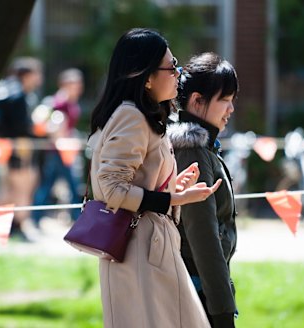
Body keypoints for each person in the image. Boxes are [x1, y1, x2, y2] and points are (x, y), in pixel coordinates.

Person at [88, 28, 221, 328]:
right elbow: (111, 187)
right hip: (138, 251)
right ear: (146, 76)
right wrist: (173, 198)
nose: (179, 73)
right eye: (172, 67)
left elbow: (135, 183)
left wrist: (173, 185)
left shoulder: (142, 116)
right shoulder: (131, 116)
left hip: (149, 248)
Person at [168, 52, 239, 327]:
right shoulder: (192, 150)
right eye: (225, 100)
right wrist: (222, 309)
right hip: (197, 291)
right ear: (197, 100)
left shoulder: (203, 145)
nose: (231, 109)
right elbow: (203, 237)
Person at [0, 57, 44, 241]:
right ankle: (15, 225)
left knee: (5, 187)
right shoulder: (19, 95)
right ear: (27, 75)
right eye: (36, 74)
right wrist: (38, 128)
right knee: (20, 188)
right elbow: (22, 127)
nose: (39, 79)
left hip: (1, 148)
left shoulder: (3, 89)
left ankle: (3, 226)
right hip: (17, 149)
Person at [31, 68, 84, 227]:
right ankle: (76, 220)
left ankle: (36, 219)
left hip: (64, 151)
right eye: (75, 84)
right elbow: (51, 126)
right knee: (68, 187)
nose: (78, 87)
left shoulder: (69, 101)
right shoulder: (58, 102)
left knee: (49, 186)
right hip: (58, 151)